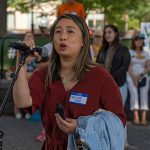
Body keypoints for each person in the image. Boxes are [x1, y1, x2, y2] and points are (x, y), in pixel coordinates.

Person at [13, 14, 126, 149]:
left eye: (70, 31)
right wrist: (21, 64)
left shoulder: (101, 77)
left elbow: (118, 121)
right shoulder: (44, 74)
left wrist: (81, 126)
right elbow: (22, 102)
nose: (63, 36)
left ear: (83, 40)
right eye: (58, 31)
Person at [96, 24, 130, 148]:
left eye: (110, 32)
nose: (107, 35)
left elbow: (124, 67)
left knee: (119, 114)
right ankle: (110, 140)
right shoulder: (103, 49)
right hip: (104, 87)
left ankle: (123, 141)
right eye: (106, 33)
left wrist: (110, 78)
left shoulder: (123, 49)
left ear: (115, 34)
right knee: (107, 114)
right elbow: (98, 65)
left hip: (119, 85)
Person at [127, 35, 150, 126]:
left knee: (144, 94)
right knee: (134, 94)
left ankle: (144, 117)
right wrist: (133, 77)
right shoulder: (130, 52)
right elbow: (128, 66)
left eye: (141, 40)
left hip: (143, 76)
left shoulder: (146, 53)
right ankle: (136, 116)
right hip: (130, 76)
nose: (139, 41)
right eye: (137, 39)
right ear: (134, 41)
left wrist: (140, 76)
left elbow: (148, 67)